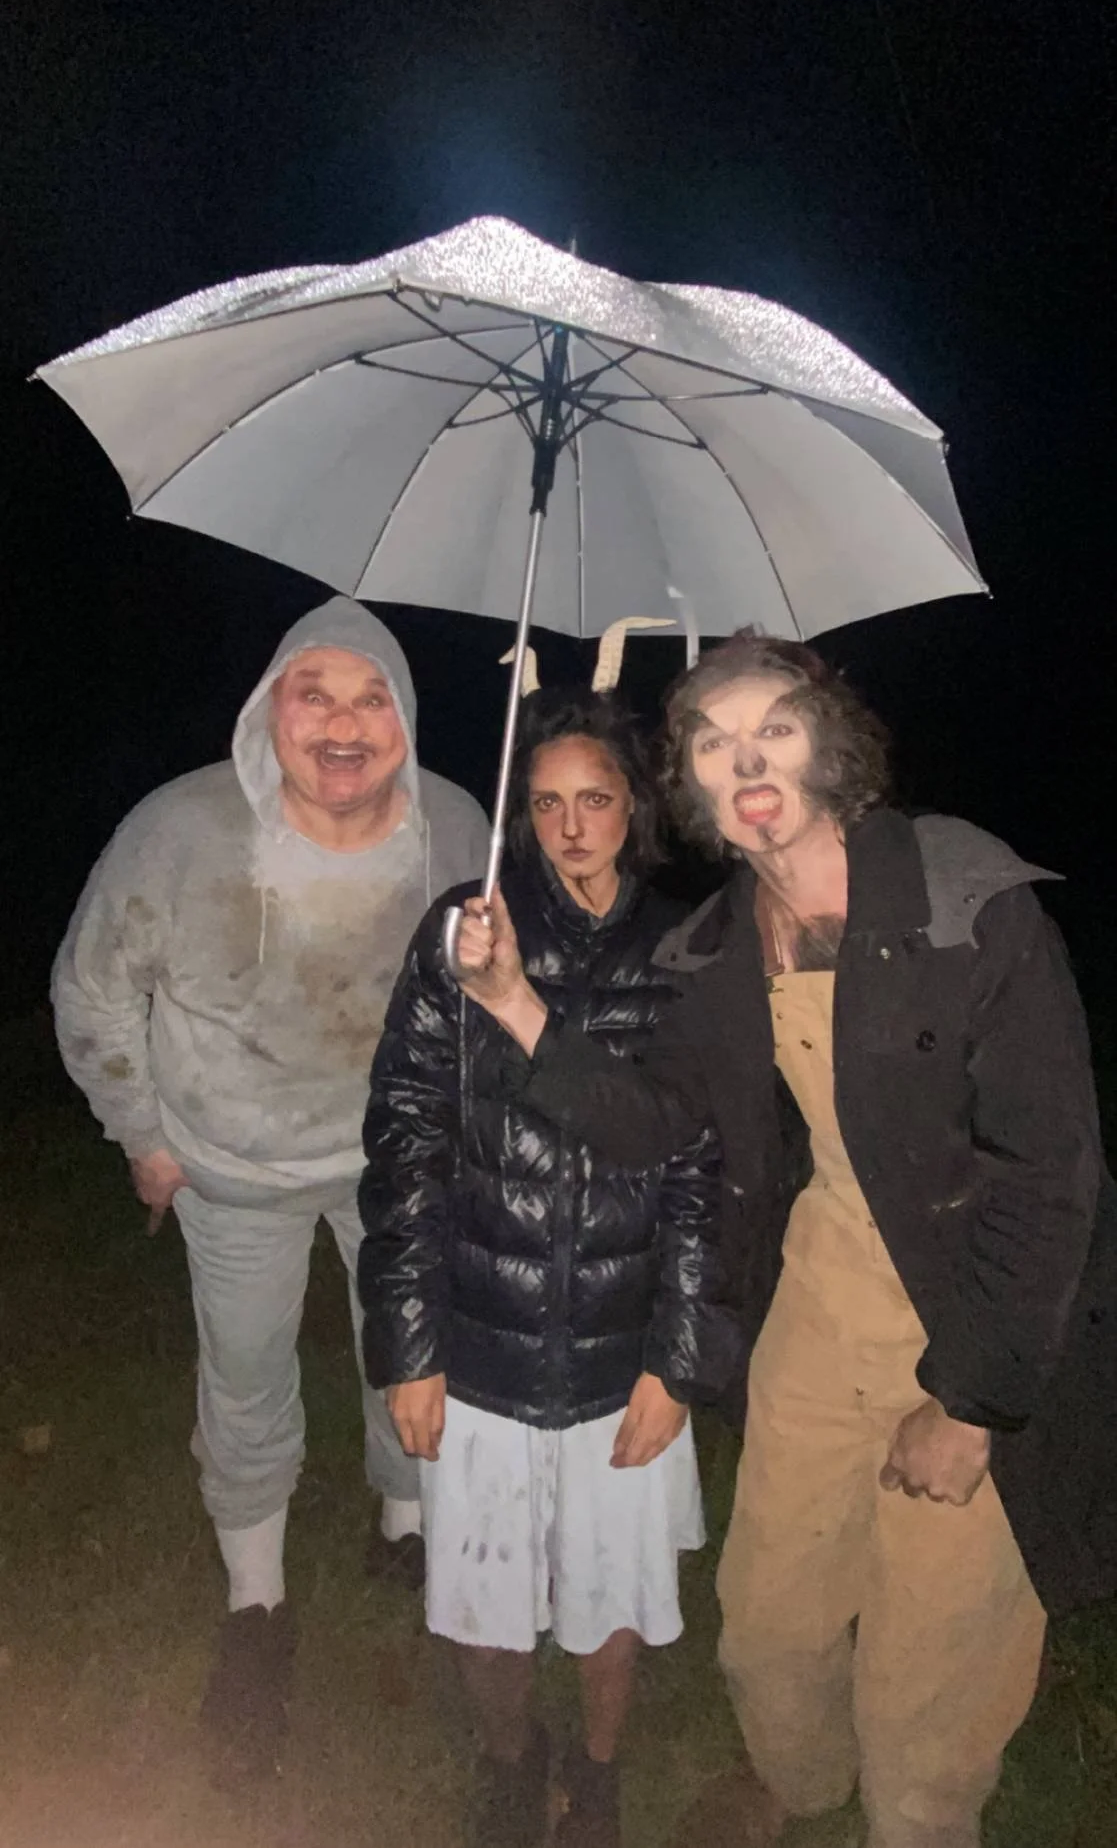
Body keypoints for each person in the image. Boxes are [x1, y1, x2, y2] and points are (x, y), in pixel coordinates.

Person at [451, 632, 1117, 1848]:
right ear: (690, 784)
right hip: (821, 1307)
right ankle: (797, 1792)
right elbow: (656, 1118)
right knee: (765, 1625)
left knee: (925, 1684)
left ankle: (916, 1824)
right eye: (710, 741)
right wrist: (514, 1006)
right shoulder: (714, 947)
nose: (744, 758)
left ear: (831, 745)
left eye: (774, 727)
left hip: (976, 1311)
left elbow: (1052, 1172)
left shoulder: (964, 900)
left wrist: (971, 1405)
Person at [52, 596, 490, 1784]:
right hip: (229, 1165)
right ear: (270, 710)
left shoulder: (458, 825)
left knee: (406, 1355)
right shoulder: (182, 829)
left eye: (372, 699)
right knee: (245, 1369)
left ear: (405, 718)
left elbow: (489, 999)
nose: (344, 727)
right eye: (317, 695)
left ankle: (403, 1523)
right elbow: (92, 995)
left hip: (397, 1161)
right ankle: (256, 1604)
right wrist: (142, 1134)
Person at [359, 688, 736, 1848]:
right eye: (547, 804)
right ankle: (512, 1765)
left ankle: (602, 1765)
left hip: (622, 1347)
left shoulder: (690, 949)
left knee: (609, 1595)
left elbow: (702, 1174)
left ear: (635, 810)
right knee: (482, 1595)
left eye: (596, 800)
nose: (572, 826)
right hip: (482, 1340)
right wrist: (410, 1348)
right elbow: (405, 1139)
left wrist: (675, 1362)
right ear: (521, 815)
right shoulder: (460, 936)